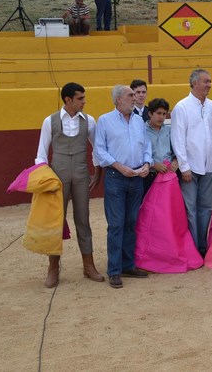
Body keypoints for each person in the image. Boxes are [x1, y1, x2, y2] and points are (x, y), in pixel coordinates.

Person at [34, 82, 104, 288]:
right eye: (80, 98)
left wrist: (97, 173)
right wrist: (45, 180)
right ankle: (53, 268)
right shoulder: (50, 121)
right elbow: (40, 155)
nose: (84, 102)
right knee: (56, 221)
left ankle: (88, 265)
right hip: (57, 177)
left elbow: (97, 149)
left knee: (84, 219)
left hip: (81, 175)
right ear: (68, 100)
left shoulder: (89, 121)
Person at [94, 85, 152, 288]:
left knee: (131, 222)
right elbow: (100, 150)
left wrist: (146, 163)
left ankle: (127, 265)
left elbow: (147, 146)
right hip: (116, 176)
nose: (135, 98)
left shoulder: (138, 121)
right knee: (117, 224)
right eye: (130, 95)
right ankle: (115, 270)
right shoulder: (104, 120)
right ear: (119, 100)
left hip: (136, 176)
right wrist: (119, 167)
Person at [171, 69, 212, 256]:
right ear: (194, 83)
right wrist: (184, 166)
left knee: (206, 208)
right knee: (190, 209)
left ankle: (202, 246)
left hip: (209, 167)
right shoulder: (181, 107)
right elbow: (178, 139)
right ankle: (192, 249)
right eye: (205, 81)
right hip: (190, 168)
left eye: (210, 81)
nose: (209, 84)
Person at [144, 98, 178, 195]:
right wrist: (153, 164)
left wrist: (175, 161)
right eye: (158, 113)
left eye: (164, 114)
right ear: (150, 114)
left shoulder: (169, 130)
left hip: (168, 174)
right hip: (150, 174)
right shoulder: (142, 130)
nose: (162, 117)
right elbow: (138, 153)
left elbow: (175, 150)